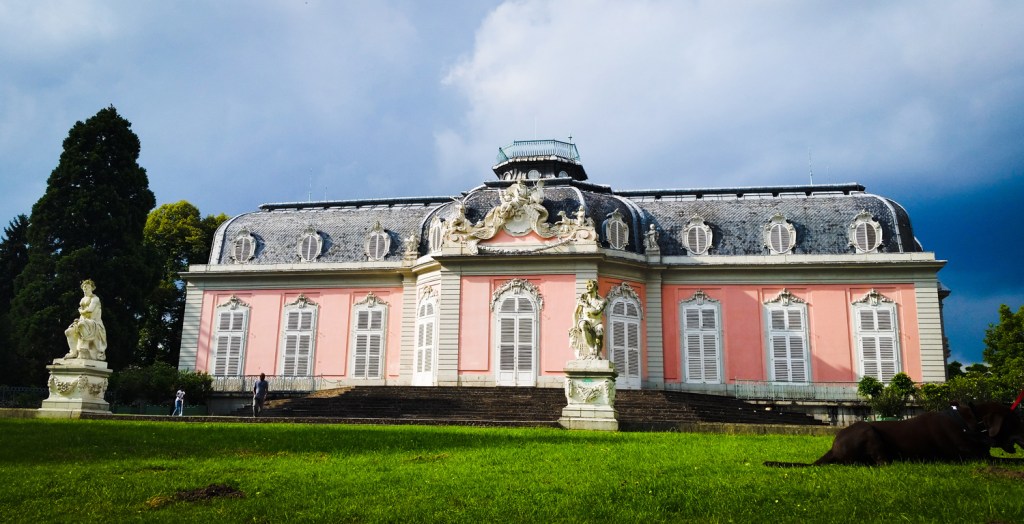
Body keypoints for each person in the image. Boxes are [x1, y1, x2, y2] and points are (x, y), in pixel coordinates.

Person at [64, 279, 108, 360]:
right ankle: (73, 352)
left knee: (82, 324)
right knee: (68, 332)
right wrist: (80, 317)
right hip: (83, 320)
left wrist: (81, 311)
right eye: (84, 287)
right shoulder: (82, 299)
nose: (85, 289)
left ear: (92, 288)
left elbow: (90, 310)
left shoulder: (95, 298)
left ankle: (84, 348)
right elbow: (84, 314)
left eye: (87, 287)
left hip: (95, 323)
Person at [570, 279, 607, 359]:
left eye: (591, 285)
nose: (588, 287)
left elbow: (596, 312)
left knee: (600, 333)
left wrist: (586, 305)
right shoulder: (582, 298)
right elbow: (575, 313)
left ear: (595, 287)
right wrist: (574, 326)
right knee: (583, 325)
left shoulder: (602, 301)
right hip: (586, 320)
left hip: (596, 322)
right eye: (587, 286)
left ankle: (598, 351)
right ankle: (591, 349)